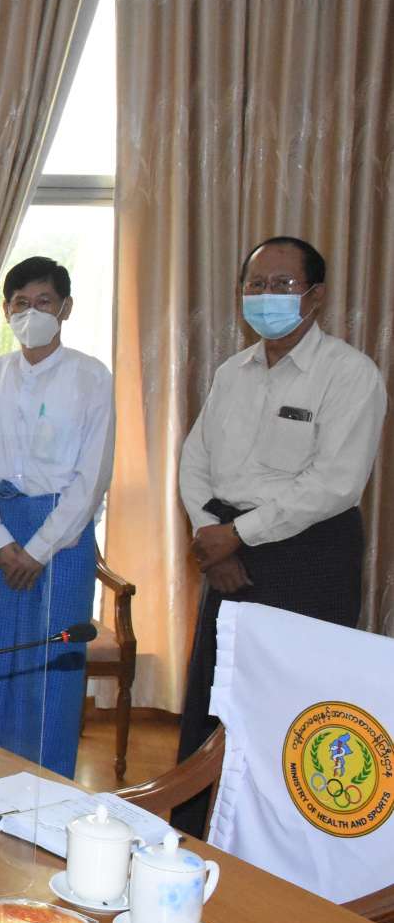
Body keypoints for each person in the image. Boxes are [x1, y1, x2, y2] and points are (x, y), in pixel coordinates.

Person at [173, 236, 386, 836]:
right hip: (224, 548)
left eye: (282, 285)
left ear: (315, 296)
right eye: (256, 285)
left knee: (294, 711)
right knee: (214, 701)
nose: (266, 296)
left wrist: (238, 535)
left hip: (309, 554)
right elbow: (195, 460)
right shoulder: (231, 373)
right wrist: (211, 535)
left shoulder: (349, 374)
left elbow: (336, 483)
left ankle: (283, 845)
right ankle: (194, 835)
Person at [0, 256, 114, 777]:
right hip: (1, 537)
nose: (31, 313)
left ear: (65, 308)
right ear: (6, 311)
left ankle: (48, 787)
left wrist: (39, 549)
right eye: (20, 303)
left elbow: (92, 478)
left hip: (62, 540)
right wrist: (0, 541)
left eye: (43, 302)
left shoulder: (91, 377)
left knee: (52, 668)